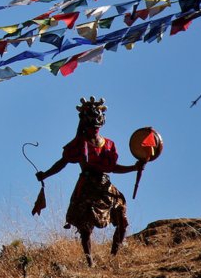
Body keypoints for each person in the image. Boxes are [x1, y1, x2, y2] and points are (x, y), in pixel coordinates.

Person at [36, 96, 145, 266]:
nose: (95, 126)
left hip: (105, 185)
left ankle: (113, 257)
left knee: (122, 218)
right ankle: (90, 261)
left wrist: (134, 167)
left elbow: (112, 167)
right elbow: (63, 162)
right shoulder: (79, 143)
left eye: (97, 122)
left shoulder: (109, 144)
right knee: (86, 228)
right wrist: (46, 174)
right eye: (91, 121)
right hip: (87, 186)